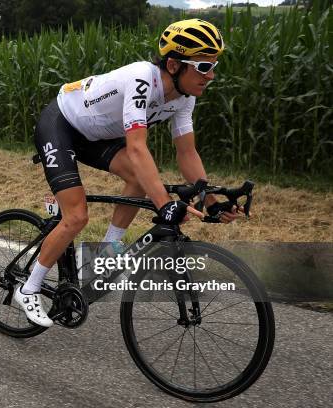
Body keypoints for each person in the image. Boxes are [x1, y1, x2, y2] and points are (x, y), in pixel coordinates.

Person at [16, 19, 242, 327]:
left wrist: (212, 200)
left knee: (139, 178)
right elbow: (136, 149)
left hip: (97, 137)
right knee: (77, 216)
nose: (211, 75)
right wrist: (164, 204)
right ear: (174, 65)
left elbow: (187, 153)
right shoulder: (142, 80)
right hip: (62, 125)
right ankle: (28, 288)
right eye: (203, 66)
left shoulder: (184, 98)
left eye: (214, 66)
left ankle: (106, 256)